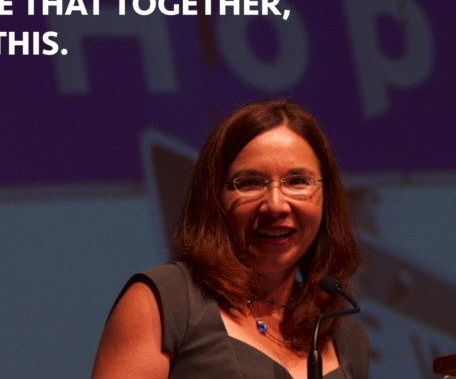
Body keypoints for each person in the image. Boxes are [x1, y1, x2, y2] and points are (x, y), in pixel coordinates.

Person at [91, 99, 367, 379]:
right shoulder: (166, 301)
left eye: (297, 182)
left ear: (327, 197)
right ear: (215, 198)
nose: (275, 205)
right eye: (249, 183)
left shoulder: (342, 331)